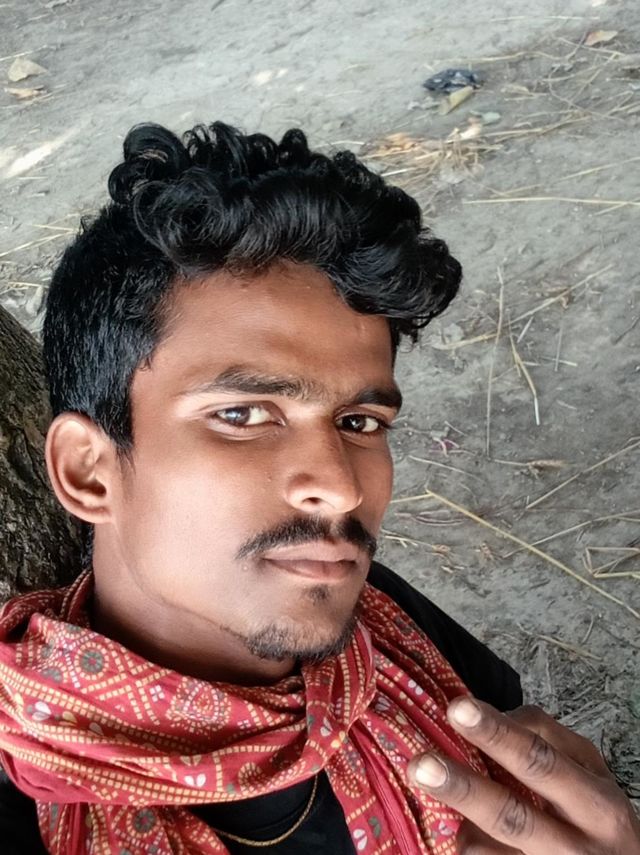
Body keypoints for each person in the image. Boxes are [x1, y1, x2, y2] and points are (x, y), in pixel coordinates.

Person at [0, 120, 637, 855]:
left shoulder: (387, 628)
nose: (339, 488)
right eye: (243, 415)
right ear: (88, 470)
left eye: (360, 422)